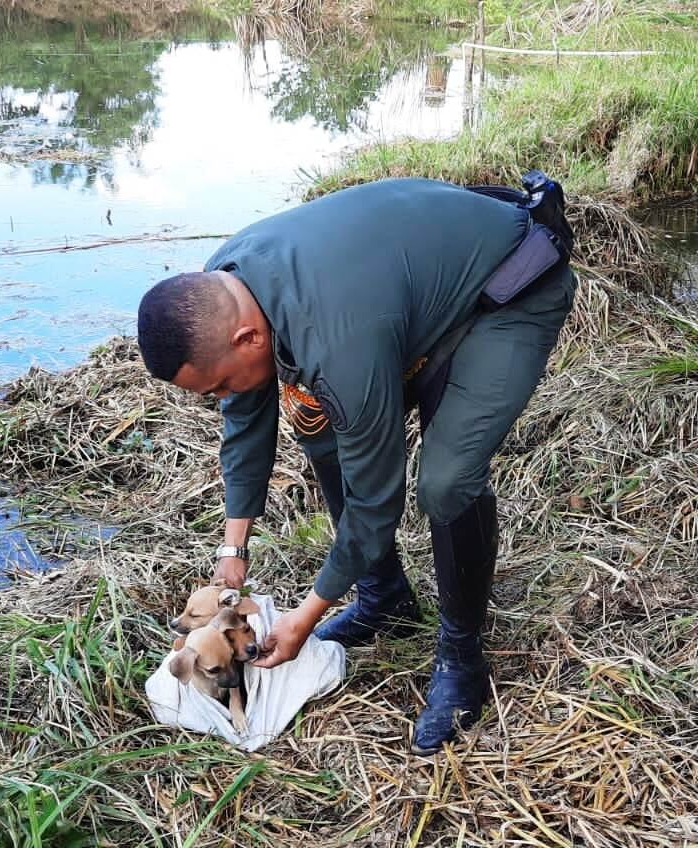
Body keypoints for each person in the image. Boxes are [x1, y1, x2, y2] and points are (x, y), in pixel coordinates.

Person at [135, 176, 575, 754]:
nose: (219, 398)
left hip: (510, 287)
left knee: (446, 480)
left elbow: (375, 503)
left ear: (246, 338)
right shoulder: (223, 286)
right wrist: (232, 550)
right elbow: (244, 421)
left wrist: (307, 615)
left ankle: (463, 657)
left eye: (216, 385)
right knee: (319, 428)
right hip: (408, 294)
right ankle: (384, 596)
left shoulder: (337, 342)